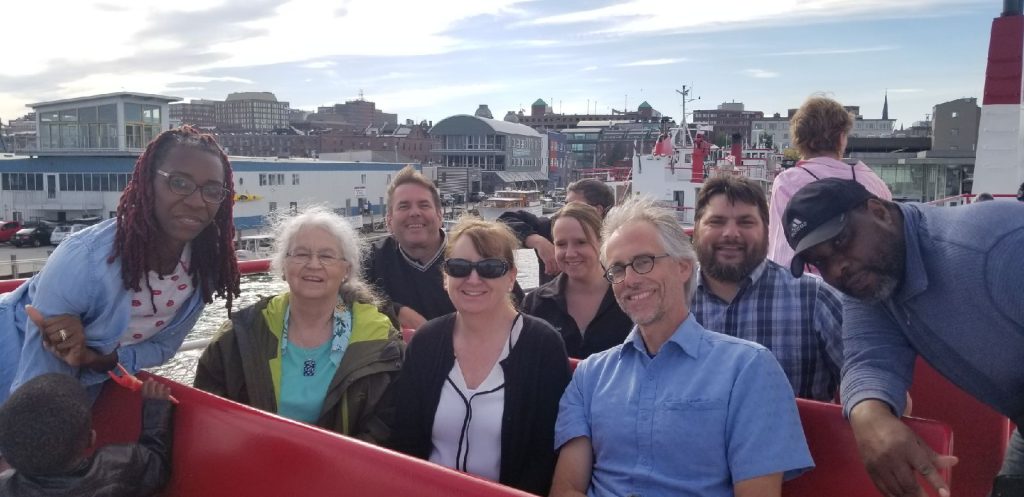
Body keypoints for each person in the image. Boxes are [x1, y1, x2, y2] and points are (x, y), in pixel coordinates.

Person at [551, 195, 813, 497]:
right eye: (618, 269)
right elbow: (566, 489)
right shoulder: (591, 376)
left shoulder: (748, 368)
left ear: (684, 268)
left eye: (643, 262)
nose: (631, 279)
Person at [783, 177, 1024, 496]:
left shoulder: (995, 248)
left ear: (878, 211)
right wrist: (869, 415)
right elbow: (869, 358)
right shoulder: (872, 283)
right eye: (820, 261)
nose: (837, 268)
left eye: (841, 242)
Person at [0, 126, 240, 403]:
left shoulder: (204, 266)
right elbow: (41, 379)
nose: (198, 202)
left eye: (212, 190)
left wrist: (98, 359)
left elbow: (164, 347)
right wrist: (66, 338)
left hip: (84, 379)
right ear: (148, 183)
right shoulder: (85, 259)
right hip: (12, 349)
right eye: (180, 183)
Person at [388, 218, 570, 495]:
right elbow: (405, 440)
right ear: (445, 277)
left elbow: (544, 455)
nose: (473, 279)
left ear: (511, 277)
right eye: (459, 268)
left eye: (490, 268)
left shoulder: (542, 346)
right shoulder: (426, 343)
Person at [194, 206, 402, 444]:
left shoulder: (378, 339)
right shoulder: (241, 333)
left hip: (342, 474)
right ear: (283, 266)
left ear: (346, 270)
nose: (313, 264)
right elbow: (208, 408)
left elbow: (388, 422)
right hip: (254, 465)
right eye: (301, 254)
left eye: (326, 256)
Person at [690, 176, 843, 401]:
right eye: (717, 222)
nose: (731, 233)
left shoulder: (815, 299)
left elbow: (868, 378)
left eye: (745, 222)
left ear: (766, 230)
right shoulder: (670, 298)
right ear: (696, 229)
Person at [363, 166, 523, 330]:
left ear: (440, 216)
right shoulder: (371, 260)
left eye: (424, 205)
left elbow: (518, 309)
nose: (415, 212)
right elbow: (343, 300)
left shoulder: (475, 254)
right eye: (403, 206)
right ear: (389, 220)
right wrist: (395, 311)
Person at [767, 96, 892, 272]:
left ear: (799, 139)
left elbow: (782, 253)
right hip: (869, 285)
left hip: (811, 290)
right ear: (842, 137)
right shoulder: (873, 181)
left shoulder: (788, 182)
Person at [0, 373, 174, 497]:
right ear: (91, 438)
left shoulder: (6, 487)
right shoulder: (117, 466)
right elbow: (156, 466)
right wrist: (155, 408)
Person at [521, 202, 631, 359]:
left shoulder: (629, 295)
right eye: (561, 244)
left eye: (581, 242)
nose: (570, 253)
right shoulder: (535, 304)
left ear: (602, 242)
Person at [499, 178, 615, 285]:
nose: (565, 210)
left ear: (597, 210)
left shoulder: (617, 242)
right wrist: (538, 241)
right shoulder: (549, 229)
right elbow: (504, 221)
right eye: (561, 244)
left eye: (581, 242)